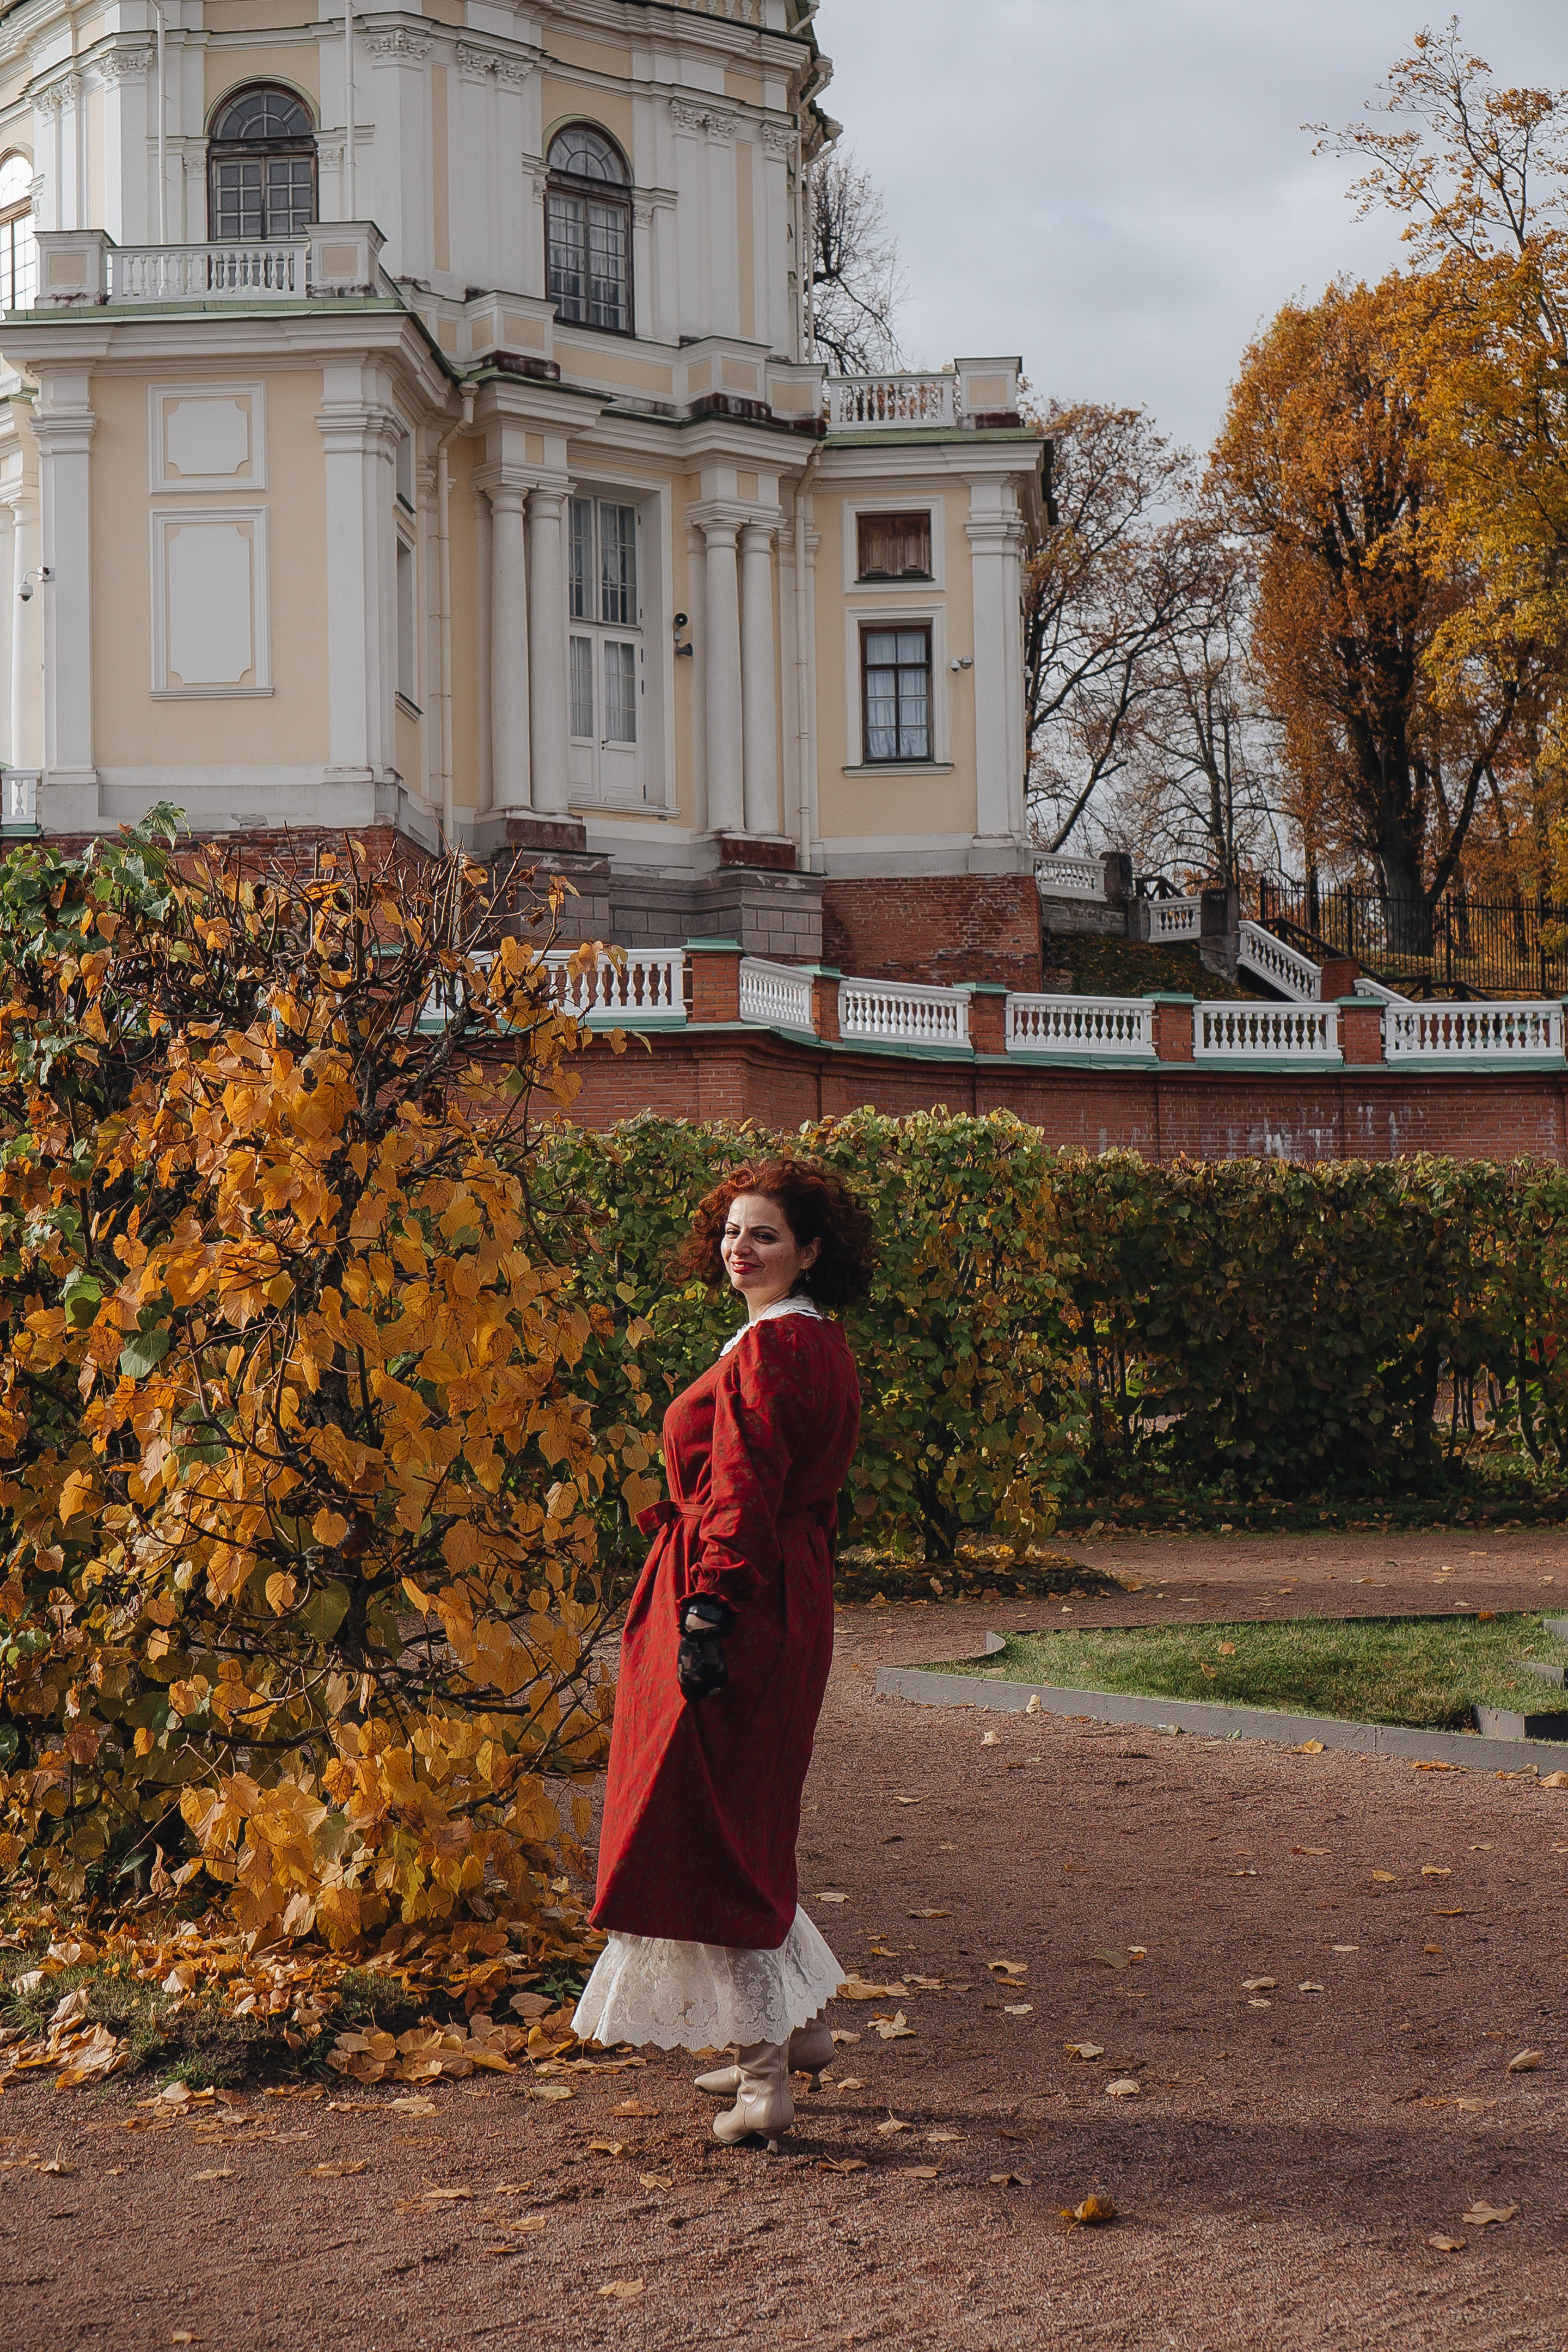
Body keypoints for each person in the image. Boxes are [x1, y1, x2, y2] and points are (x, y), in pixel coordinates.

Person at [572, 1155, 873, 2151]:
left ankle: (763, 2082)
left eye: (767, 1235)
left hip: (736, 1595)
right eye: (735, 1233)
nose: (742, 1250)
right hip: (786, 1590)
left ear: (812, 1251)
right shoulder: (815, 1342)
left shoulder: (770, 1353)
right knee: (743, 1818)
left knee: (702, 1830)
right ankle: (798, 2032)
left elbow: (740, 1492)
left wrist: (708, 1616)